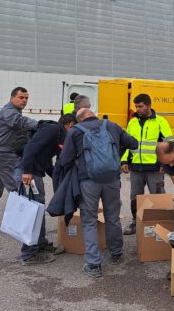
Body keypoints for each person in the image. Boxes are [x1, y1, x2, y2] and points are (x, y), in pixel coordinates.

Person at [57, 108, 138, 278]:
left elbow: (65, 160)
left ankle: (93, 264)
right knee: (113, 217)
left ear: (79, 120)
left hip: (88, 181)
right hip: (112, 180)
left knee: (89, 221)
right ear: (94, 114)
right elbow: (133, 143)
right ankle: (116, 252)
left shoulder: (75, 131)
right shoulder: (112, 125)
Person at [15, 114, 76, 265]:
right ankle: (29, 254)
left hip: (34, 173)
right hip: (30, 174)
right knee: (33, 212)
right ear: (70, 125)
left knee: (38, 209)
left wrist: (57, 177)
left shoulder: (57, 134)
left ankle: (40, 244)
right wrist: (27, 171)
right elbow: (31, 147)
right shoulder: (53, 129)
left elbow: (46, 161)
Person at [0, 87, 38, 235]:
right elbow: (20, 122)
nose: (24, 100)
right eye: (21, 97)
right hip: (4, 155)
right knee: (19, 190)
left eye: (26, 98)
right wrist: (41, 125)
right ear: (12, 98)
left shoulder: (13, 110)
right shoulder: (10, 111)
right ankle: (21, 228)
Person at [121, 93, 173, 235]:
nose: (137, 109)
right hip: (136, 167)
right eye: (136, 106)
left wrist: (165, 164)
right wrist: (125, 160)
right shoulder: (132, 122)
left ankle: (161, 223)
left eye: (140, 106)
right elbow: (127, 144)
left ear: (148, 105)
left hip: (155, 168)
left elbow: (169, 144)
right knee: (135, 197)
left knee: (158, 196)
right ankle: (135, 222)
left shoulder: (160, 121)